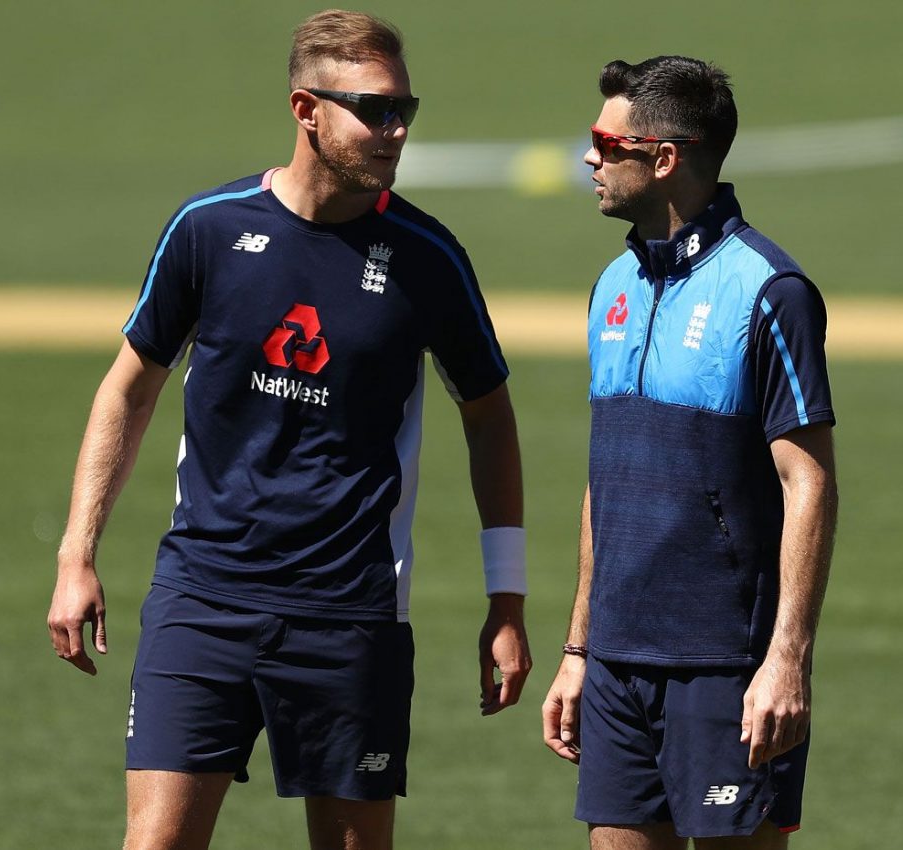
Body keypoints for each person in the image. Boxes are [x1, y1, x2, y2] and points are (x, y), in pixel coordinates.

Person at [46, 10, 531, 850]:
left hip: (351, 613)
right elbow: (128, 389)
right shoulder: (209, 229)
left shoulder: (427, 257)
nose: (398, 128)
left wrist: (507, 596)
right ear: (307, 110)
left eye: (406, 108)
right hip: (203, 597)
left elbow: (488, 416)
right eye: (374, 109)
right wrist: (75, 553)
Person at [541, 55, 838, 849]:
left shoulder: (770, 292)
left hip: (726, 669)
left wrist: (786, 661)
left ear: (663, 157)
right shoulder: (612, 284)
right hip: (616, 663)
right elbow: (605, 480)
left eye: (606, 142)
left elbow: (808, 486)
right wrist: (578, 648)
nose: (589, 158)